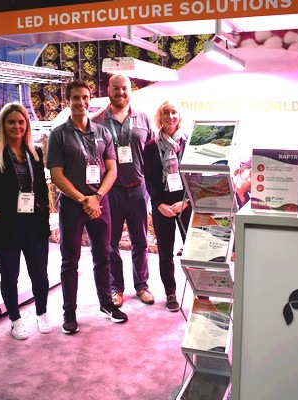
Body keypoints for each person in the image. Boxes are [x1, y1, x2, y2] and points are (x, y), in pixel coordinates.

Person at [47, 79, 128, 334]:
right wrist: (84, 200)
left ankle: (106, 304)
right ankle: (69, 312)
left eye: (85, 97)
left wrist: (97, 197)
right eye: (76, 98)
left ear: (90, 100)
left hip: (100, 204)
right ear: (67, 101)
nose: (81, 102)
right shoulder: (59, 134)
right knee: (70, 260)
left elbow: (112, 170)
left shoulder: (102, 132)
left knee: (103, 255)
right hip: (73, 205)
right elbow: (57, 175)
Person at [0, 102, 53, 340]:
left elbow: (41, 187)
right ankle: (15, 319)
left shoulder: (34, 152)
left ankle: (42, 313)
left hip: (34, 223)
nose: (17, 126)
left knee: (39, 274)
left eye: (21, 122)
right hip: (6, 225)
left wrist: (45, 213)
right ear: (3, 124)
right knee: (10, 275)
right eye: (11, 122)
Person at [91, 74, 155, 308]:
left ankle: (142, 286)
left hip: (138, 189)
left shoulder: (144, 118)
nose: (121, 93)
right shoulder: (97, 121)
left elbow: (151, 155)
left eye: (125, 89)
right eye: (116, 88)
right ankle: (116, 288)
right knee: (111, 243)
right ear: (108, 90)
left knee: (141, 241)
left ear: (131, 90)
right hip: (111, 192)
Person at [144, 101, 191, 312]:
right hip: (162, 206)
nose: (170, 116)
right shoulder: (151, 146)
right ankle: (170, 293)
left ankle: (201, 292)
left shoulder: (189, 143)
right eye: (166, 113)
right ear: (160, 117)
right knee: (165, 253)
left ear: (179, 116)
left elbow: (195, 174)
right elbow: (148, 179)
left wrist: (186, 201)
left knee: (194, 250)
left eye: (174, 112)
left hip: (186, 204)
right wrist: (158, 203)